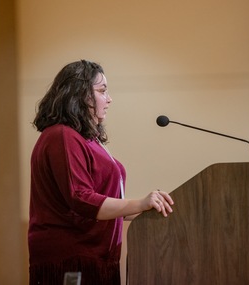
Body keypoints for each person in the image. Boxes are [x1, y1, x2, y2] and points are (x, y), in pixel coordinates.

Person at [28, 59, 174, 285]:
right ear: (79, 94)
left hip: (96, 255)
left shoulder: (86, 139)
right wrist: (140, 202)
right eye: (102, 91)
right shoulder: (62, 135)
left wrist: (154, 208)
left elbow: (107, 202)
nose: (109, 99)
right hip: (72, 257)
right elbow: (81, 198)